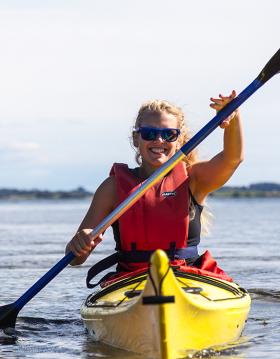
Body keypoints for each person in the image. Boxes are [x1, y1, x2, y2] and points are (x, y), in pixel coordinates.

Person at [65, 90, 243, 283]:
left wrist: (233, 118)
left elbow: (233, 159)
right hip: (131, 279)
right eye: (150, 133)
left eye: (169, 134)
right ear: (136, 139)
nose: (159, 140)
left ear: (180, 140)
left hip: (187, 276)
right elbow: (75, 259)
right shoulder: (113, 188)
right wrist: (80, 242)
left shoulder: (194, 179)